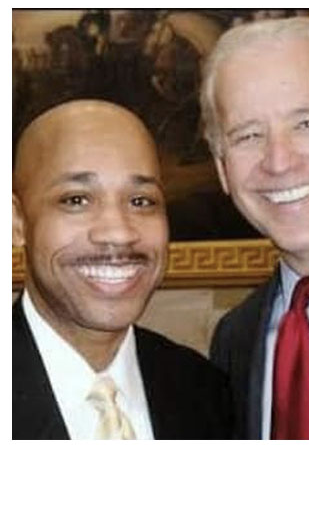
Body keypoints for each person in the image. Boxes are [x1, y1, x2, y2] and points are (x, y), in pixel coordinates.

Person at [13, 99, 231, 439]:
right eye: (76, 200)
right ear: (16, 221)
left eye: (141, 201)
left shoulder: (206, 391)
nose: (119, 232)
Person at [202, 18, 309, 440]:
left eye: (307, 123)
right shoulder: (235, 339)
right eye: (249, 135)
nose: (279, 161)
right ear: (222, 169)